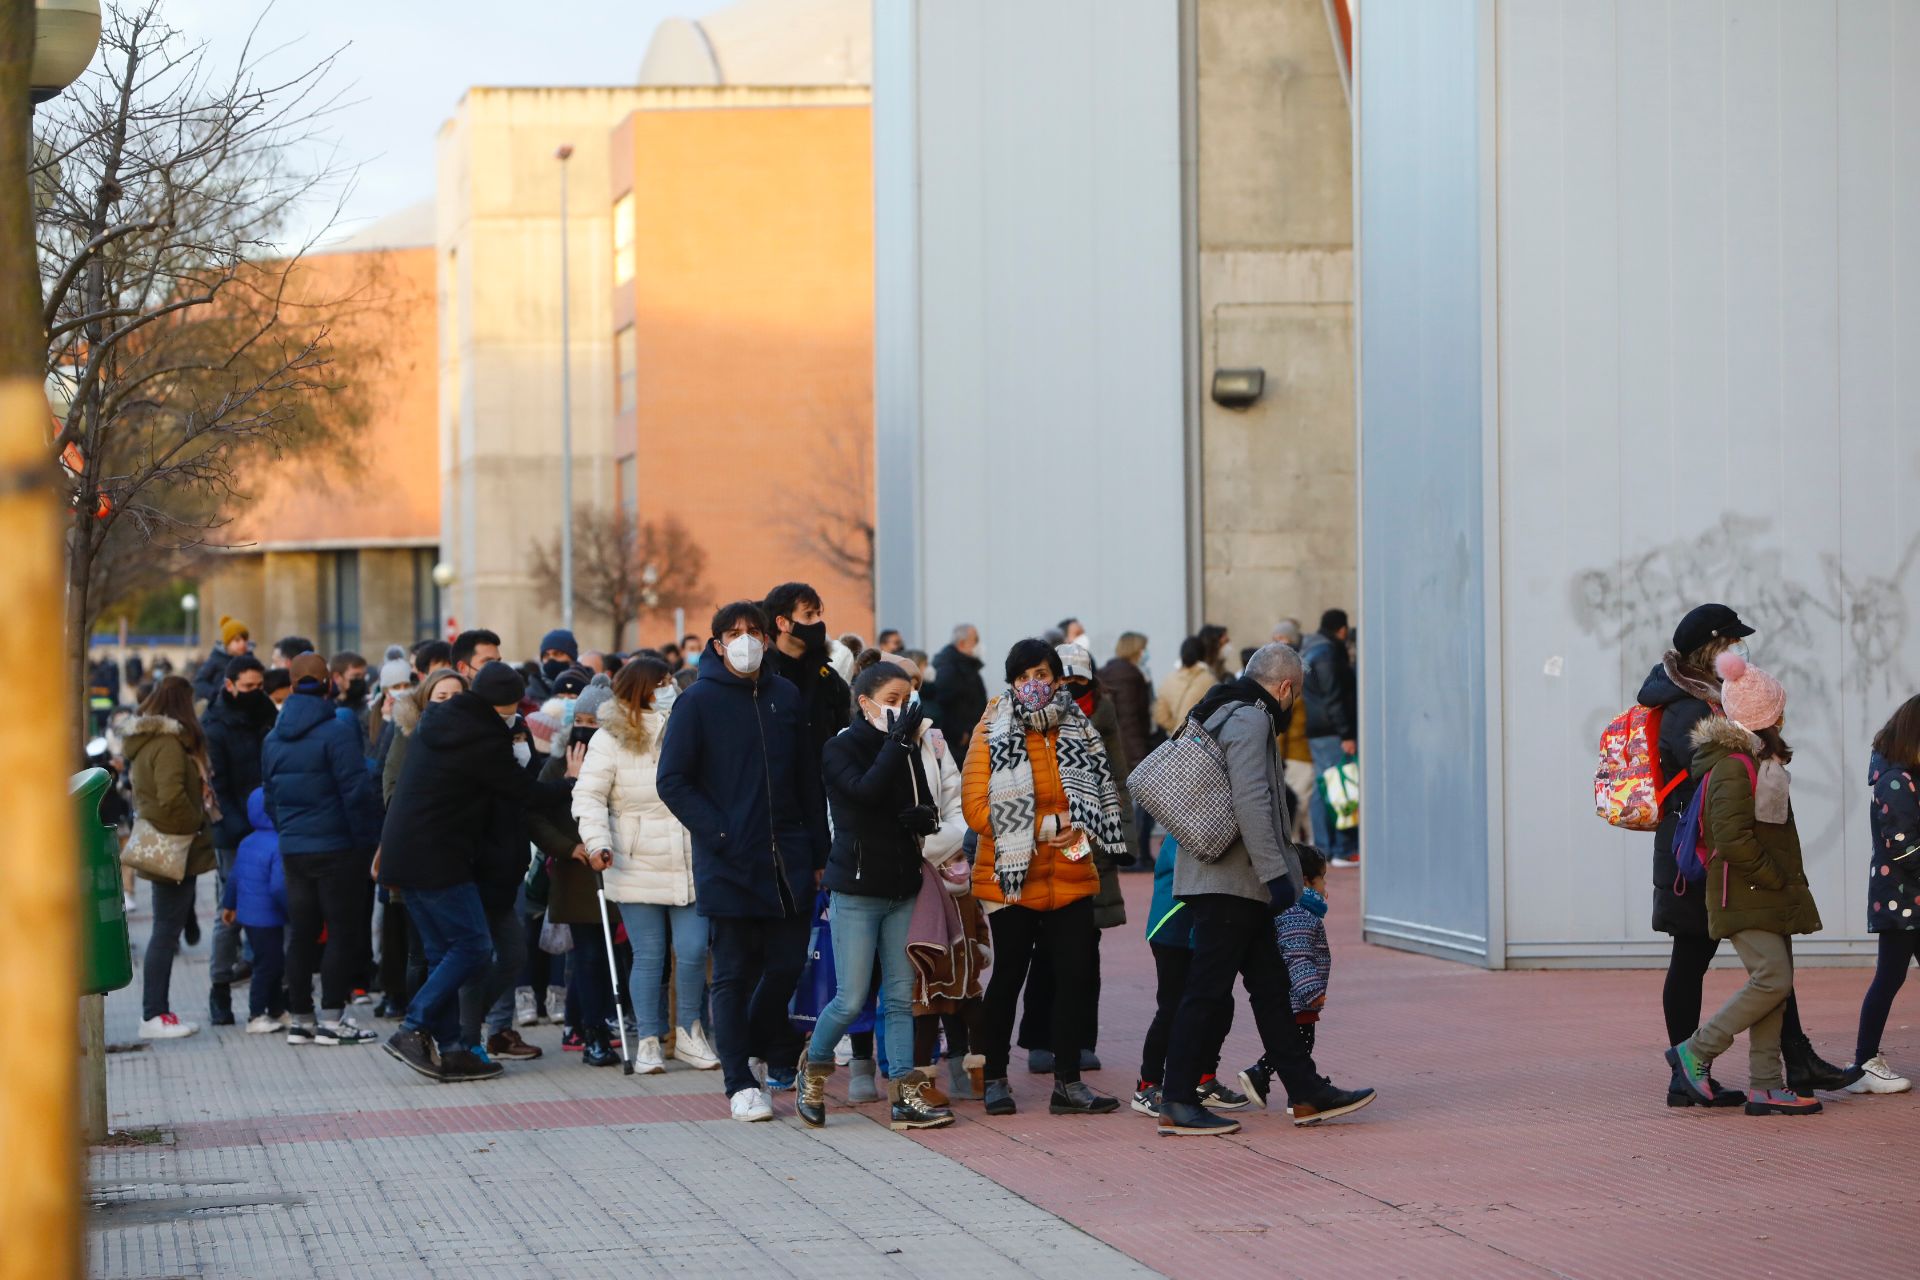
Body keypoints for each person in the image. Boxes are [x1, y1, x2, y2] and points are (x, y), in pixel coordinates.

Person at [1637, 604, 1855, 1099]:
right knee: (1694, 957)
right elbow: (1715, 791)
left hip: (1713, 851)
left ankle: (1789, 1060)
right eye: (1732, 642)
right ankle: (1687, 1072)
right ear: (1710, 649)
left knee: (1767, 950)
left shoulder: (1712, 698)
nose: (1741, 650)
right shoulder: (1688, 708)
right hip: (1697, 857)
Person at [1158, 643, 1375, 1136]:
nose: (1293, 702)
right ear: (1283, 687)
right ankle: (1175, 1099)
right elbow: (1253, 800)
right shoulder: (1252, 719)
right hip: (1231, 882)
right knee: (1206, 991)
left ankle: (1305, 1091)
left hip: (1230, 879)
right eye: (1295, 693)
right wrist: (1278, 874)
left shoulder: (1219, 707)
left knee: (1271, 990)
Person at [655, 602, 818, 1123]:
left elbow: (807, 781)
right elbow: (672, 780)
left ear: (767, 640)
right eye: (734, 633)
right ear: (718, 644)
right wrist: (720, 831)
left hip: (789, 859)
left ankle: (755, 1041)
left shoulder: (785, 696)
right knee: (731, 972)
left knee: (787, 965)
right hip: (729, 860)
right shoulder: (697, 702)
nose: (745, 640)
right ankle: (739, 1082)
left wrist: (818, 852)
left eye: (754, 632)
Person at [379, 662, 572, 1081]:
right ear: (503, 705)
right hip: (438, 860)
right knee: (472, 947)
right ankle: (414, 1028)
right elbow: (525, 793)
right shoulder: (484, 738)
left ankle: (451, 1050)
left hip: (408, 854)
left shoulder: (441, 720)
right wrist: (571, 781)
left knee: (441, 953)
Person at [1666, 654, 1837, 1116]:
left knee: (1774, 984)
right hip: (1743, 891)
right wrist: (1773, 876)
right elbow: (1731, 838)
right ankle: (1696, 1051)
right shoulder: (1732, 765)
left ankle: (1765, 1084)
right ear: (1767, 714)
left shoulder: (1757, 759)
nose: (1784, 714)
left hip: (1763, 893)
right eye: (1779, 707)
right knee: (1773, 977)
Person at [964, 638, 1128, 1117]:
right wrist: (1044, 827)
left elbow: (1101, 791)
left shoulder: (1080, 727)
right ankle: (995, 1077)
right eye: (1023, 676)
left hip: (1071, 869)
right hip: (1011, 877)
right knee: (1010, 975)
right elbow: (975, 810)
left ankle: (1069, 1084)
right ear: (1011, 682)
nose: (1034, 684)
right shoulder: (990, 729)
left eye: (1042, 673)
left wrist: (1081, 827)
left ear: (1057, 678)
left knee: (1075, 976)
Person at [795, 662, 955, 1131]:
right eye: (891, 700)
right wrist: (898, 743)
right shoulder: (839, 748)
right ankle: (815, 1068)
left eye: (907, 700)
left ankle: (905, 1091)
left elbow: (927, 803)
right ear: (864, 703)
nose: (901, 710)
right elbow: (862, 795)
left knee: (901, 997)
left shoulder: (907, 748)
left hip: (903, 885)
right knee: (850, 997)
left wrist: (924, 817)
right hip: (857, 889)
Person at [572, 658, 719, 1074]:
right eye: (664, 682)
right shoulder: (609, 739)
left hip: (690, 856)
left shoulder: (688, 727)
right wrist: (597, 841)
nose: (671, 688)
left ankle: (689, 1032)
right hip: (633, 858)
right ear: (644, 689)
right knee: (649, 955)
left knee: (692, 950)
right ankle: (650, 1040)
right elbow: (588, 796)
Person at [1017, 644, 1136, 1073]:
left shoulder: (1102, 714)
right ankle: (1038, 1039)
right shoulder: (1026, 715)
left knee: (1087, 951)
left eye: (1077, 681)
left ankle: (1083, 1039)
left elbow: (1119, 779)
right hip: (1044, 846)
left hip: (1092, 845)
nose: (1068, 688)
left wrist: (1121, 840)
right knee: (1045, 950)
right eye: (1061, 680)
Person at [260, 653, 384, 1047]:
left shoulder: (272, 738)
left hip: (294, 848)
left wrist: (290, 833)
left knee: (301, 933)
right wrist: (367, 843)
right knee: (342, 932)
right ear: (328, 682)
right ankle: (332, 1016)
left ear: (292, 684)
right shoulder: (336, 731)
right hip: (337, 848)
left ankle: (301, 1019)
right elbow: (356, 793)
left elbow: (270, 800)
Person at [125, 676, 218, 1039]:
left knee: (166, 929)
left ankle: (157, 1013)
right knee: (165, 932)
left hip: (169, 842)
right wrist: (195, 823)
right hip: (174, 846)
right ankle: (154, 1015)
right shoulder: (167, 744)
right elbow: (171, 796)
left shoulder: (153, 741)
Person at [1131, 833, 1242, 1117]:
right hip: (1172, 928)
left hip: (1205, 927)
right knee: (1173, 1008)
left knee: (1220, 1005)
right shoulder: (1185, 825)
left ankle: (1204, 1079)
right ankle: (1148, 1084)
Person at [1847, 694, 1920, 1094]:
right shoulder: (1896, 781)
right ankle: (1863, 1064)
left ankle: (1864, 1063)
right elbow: (1904, 846)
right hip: (1902, 900)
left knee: (1889, 977)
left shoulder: (1906, 777)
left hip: (1910, 899)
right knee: (1889, 977)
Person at [201, 654, 274, 1025]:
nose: (255, 693)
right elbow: (219, 787)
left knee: (271, 909)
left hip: (269, 827)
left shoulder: (266, 715)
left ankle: (268, 992)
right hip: (234, 833)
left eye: (259, 687)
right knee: (230, 911)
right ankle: (220, 986)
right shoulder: (214, 727)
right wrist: (244, 831)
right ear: (230, 685)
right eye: (248, 687)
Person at [1237, 844, 1332, 1107]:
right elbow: (1297, 955)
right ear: (1306, 882)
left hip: (1295, 995)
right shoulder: (1298, 913)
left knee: (1295, 1043)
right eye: (1323, 878)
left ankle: (1294, 1090)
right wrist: (1311, 990)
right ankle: (1263, 1076)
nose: (1326, 885)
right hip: (1297, 996)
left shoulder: (1299, 910)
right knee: (1299, 1043)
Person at [220, 787, 289, 1033]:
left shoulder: (247, 842)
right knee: (268, 965)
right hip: (269, 917)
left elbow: (234, 877)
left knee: (271, 962)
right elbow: (279, 886)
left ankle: (276, 1010)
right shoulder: (278, 844)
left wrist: (229, 905)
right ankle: (256, 1014)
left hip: (250, 917)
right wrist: (290, 911)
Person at [1300, 610, 1359, 867]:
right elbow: (1334, 696)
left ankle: (1324, 847)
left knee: (1325, 786)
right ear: (1342, 630)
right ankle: (1341, 849)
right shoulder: (1327, 654)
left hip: (1318, 728)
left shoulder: (1312, 649)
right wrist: (1346, 732)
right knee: (1341, 788)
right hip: (1331, 730)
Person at [1098, 632, 1154, 861]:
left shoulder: (1106, 673)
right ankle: (1138, 852)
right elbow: (1131, 721)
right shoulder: (1131, 677)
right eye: (1143, 649)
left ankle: (1120, 849)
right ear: (1135, 650)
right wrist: (1139, 757)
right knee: (1142, 803)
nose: (1145, 654)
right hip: (1130, 749)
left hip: (1110, 747)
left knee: (1117, 802)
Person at [1271, 621, 1317, 844]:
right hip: (1298, 752)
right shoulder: (1297, 677)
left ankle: (1299, 846)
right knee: (1301, 803)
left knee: (1300, 803)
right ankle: (1299, 846)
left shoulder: (1290, 678)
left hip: (1297, 751)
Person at [931, 624, 989, 765]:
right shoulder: (949, 669)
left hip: (972, 740)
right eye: (975, 640)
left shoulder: (966, 666)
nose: (979, 645)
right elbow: (940, 705)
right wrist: (959, 735)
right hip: (957, 747)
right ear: (962, 643)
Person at [1152, 636, 1218, 737]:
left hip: (1175, 740)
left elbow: (1160, 715)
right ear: (1203, 654)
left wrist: (1176, 727)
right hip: (1197, 740)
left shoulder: (1169, 679)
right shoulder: (1209, 680)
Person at [192, 616, 252, 705]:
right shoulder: (216, 659)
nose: (242, 643)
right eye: (237, 640)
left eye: (245, 640)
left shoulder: (250, 660)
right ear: (227, 643)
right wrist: (216, 694)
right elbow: (199, 682)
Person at [530, 628, 579, 700]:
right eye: (546, 655)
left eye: (557, 654)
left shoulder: (586, 691)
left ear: (572, 658)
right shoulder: (528, 697)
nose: (551, 658)